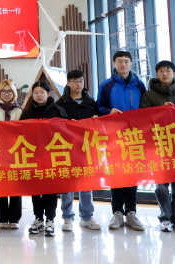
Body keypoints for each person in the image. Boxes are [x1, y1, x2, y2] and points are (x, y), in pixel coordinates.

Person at [139, 60, 175, 233]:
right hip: (158, 147)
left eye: (168, 71)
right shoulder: (148, 95)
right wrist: (160, 110)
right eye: (161, 71)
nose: (164, 74)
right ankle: (165, 218)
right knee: (161, 187)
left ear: (174, 74)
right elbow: (142, 118)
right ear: (157, 74)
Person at [97, 51, 146, 231]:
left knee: (133, 174)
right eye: (120, 61)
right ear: (114, 63)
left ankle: (131, 212)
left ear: (131, 64)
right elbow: (99, 107)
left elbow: (146, 109)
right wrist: (107, 111)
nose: (123, 64)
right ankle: (117, 213)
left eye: (126, 61)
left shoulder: (140, 85)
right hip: (114, 136)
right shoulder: (106, 85)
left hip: (135, 136)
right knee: (116, 173)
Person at [55, 70, 102, 231]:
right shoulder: (61, 103)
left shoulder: (90, 102)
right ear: (68, 83)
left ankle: (87, 217)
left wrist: (96, 119)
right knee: (67, 184)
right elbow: (55, 124)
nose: (78, 84)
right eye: (75, 81)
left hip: (87, 147)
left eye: (81, 81)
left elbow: (99, 121)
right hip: (67, 148)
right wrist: (68, 123)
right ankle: (67, 217)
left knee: (86, 183)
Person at [21, 80, 68, 237]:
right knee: (36, 190)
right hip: (33, 157)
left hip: (52, 157)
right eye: (35, 93)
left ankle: (50, 220)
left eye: (42, 92)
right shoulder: (27, 112)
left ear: (48, 93)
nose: (39, 95)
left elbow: (67, 132)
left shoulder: (59, 111)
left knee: (50, 190)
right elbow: (19, 133)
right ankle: (38, 219)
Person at [0, 79, 23, 229]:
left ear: (14, 93)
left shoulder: (20, 112)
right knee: (1, 185)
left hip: (15, 153)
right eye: (3, 91)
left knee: (16, 186)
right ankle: (2, 218)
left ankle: (15, 219)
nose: (6, 94)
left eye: (9, 91)